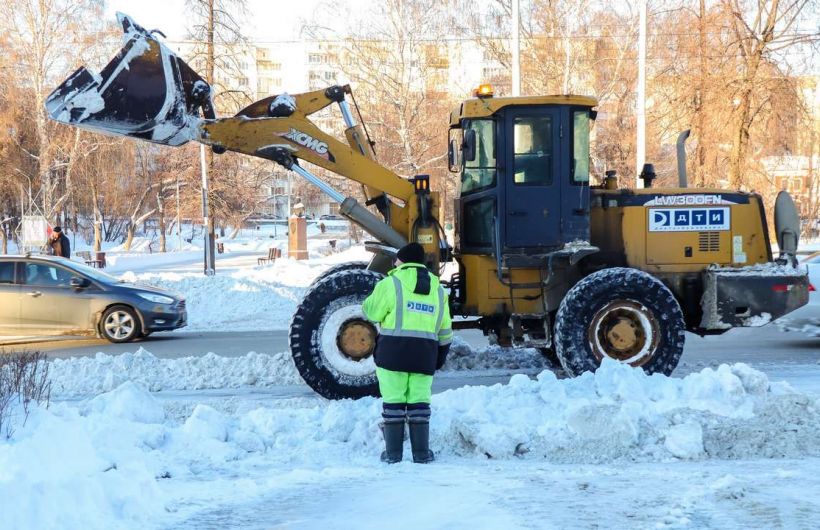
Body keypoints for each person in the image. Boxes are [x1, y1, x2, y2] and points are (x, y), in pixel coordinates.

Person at [362, 242, 453, 464]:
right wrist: (439, 356)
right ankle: (421, 454)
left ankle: (393, 454)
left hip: (393, 353)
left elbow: (371, 312)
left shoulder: (390, 284)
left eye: (396, 259)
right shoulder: (438, 289)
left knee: (393, 401)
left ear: (401, 261)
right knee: (419, 402)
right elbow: (445, 329)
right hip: (425, 355)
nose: (394, 262)